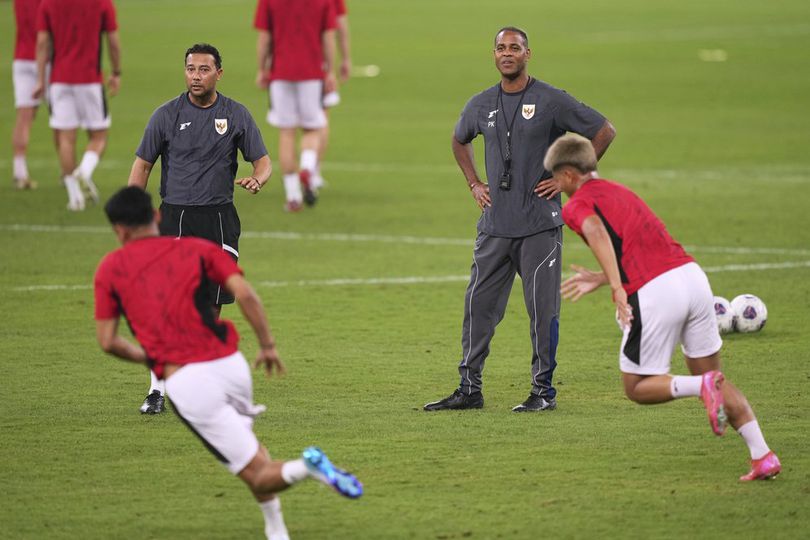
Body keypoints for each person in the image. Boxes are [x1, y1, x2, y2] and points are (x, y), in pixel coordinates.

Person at [94, 187, 362, 540]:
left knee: (256, 472)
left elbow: (108, 341)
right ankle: (276, 529)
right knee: (251, 451)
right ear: (157, 217)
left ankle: (310, 467)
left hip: (189, 384)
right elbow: (246, 293)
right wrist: (266, 345)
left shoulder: (111, 268)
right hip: (231, 365)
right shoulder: (198, 249)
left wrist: (150, 356)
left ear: (119, 230)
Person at [546, 133, 780, 481]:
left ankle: (701, 389)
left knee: (637, 386)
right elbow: (636, 241)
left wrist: (616, 286)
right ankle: (762, 455)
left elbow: (595, 231)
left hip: (656, 291)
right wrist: (604, 275)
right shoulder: (620, 191)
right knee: (713, 377)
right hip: (692, 278)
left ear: (566, 175)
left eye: (554, 177)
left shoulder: (575, 204)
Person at [424, 27, 616, 412]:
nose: (507, 53)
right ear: (493, 55)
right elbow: (459, 139)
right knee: (478, 308)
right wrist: (474, 183)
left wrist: (569, 177)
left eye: (514, 48)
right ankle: (468, 389)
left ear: (528, 54)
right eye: (500, 48)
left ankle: (543, 392)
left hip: (539, 228)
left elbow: (603, 130)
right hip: (494, 227)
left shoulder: (550, 100)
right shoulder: (481, 104)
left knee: (542, 312)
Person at [128, 43, 272, 414]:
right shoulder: (166, 115)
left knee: (212, 304)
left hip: (220, 221)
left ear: (218, 74)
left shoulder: (235, 115)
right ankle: (157, 389)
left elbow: (263, 161)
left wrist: (258, 178)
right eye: (190, 68)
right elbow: (143, 165)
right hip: (174, 219)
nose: (196, 75)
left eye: (204, 69)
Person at [33, 0, 121, 211]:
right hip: (90, 79)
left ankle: (75, 198)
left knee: (65, 138)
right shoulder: (102, 2)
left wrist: (39, 80)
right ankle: (85, 171)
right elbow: (113, 40)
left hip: (59, 80)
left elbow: (42, 42)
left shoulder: (48, 3)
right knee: (99, 136)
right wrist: (116, 72)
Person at [254, 0, 337, 211]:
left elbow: (265, 38)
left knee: (287, 134)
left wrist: (262, 69)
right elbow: (328, 38)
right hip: (311, 74)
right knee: (312, 129)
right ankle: (308, 168)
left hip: (281, 73)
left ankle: (293, 196)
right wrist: (330, 71)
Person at [312, 0, 352, 192]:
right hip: (320, 66)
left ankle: (292, 183)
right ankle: (313, 171)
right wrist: (345, 58)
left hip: (285, 69)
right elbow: (339, 26)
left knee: (288, 130)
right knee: (321, 120)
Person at [11, 0, 46, 190]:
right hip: (45, 59)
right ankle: (67, 173)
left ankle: (19, 170)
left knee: (24, 117)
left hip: (21, 58)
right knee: (60, 121)